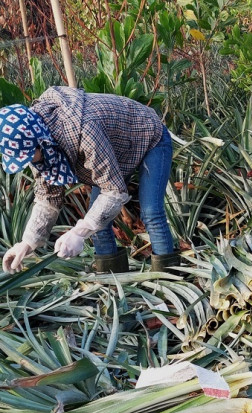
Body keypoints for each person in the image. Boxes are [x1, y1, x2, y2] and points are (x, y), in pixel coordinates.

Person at [0, 87, 179, 274]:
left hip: (148, 136)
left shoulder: (85, 130)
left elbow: (114, 191)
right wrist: (27, 242)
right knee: (97, 218)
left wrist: (78, 233)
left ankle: (167, 279)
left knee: (151, 211)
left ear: (39, 141)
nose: (28, 161)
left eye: (27, 155)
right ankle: (112, 281)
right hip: (115, 151)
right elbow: (48, 198)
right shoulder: (41, 141)